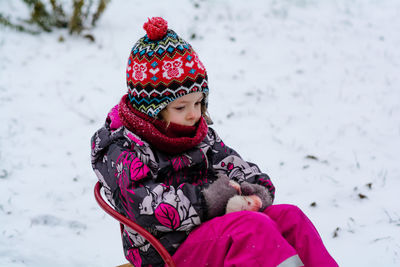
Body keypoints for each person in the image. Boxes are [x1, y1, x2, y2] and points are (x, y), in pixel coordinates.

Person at [91, 17, 338, 267]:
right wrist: (211, 200)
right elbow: (145, 207)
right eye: (181, 106)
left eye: (199, 103)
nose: (194, 114)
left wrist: (253, 193)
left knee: (290, 217)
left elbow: (236, 166)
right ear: (151, 110)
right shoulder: (122, 147)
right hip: (166, 251)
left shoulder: (197, 133)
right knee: (251, 229)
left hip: (213, 230)